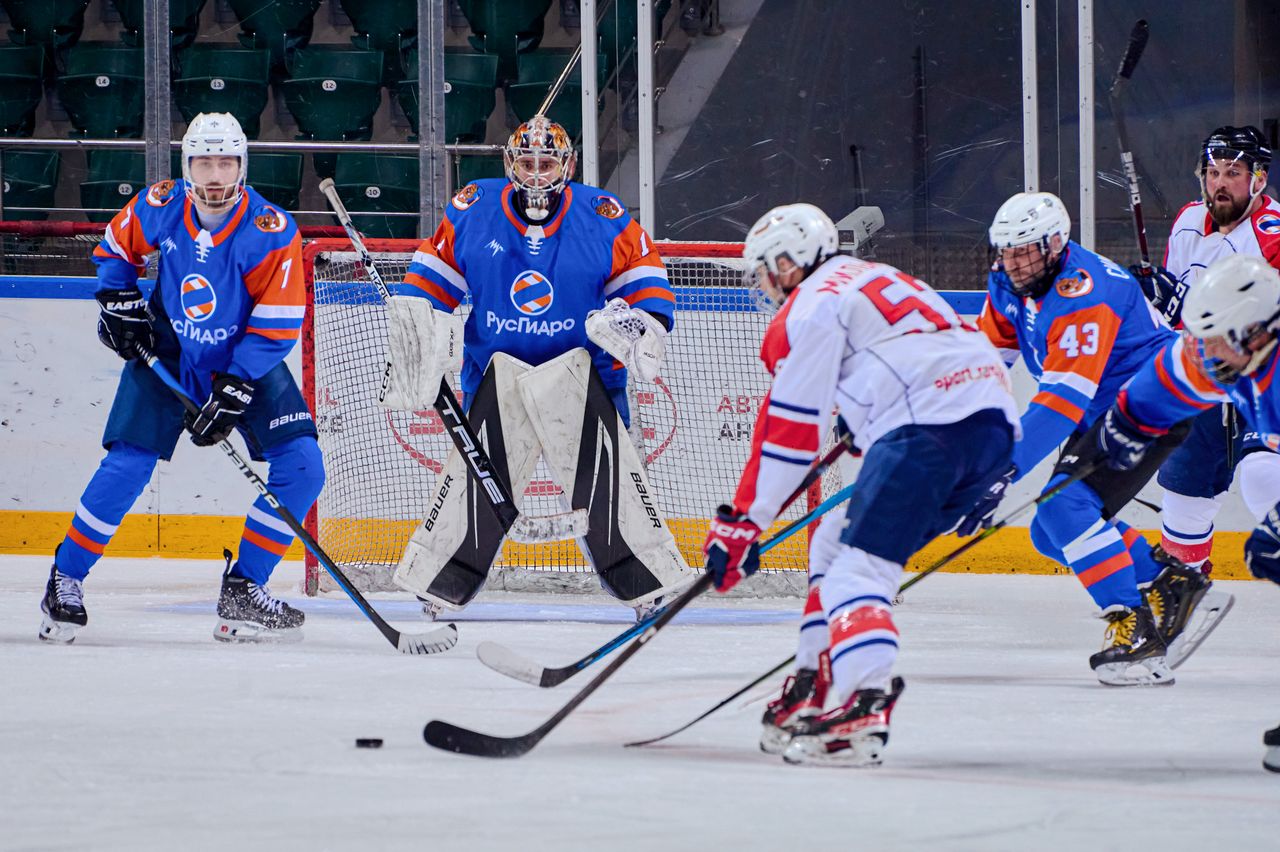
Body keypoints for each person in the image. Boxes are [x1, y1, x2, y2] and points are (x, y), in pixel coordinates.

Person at [702, 202, 1021, 767]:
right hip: (990, 429)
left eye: (766, 271)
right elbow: (914, 347)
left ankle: (864, 701)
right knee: (832, 542)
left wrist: (744, 522)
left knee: (858, 572)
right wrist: (862, 413)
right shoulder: (874, 276)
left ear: (790, 261)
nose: (764, 285)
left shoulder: (810, 306)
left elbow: (789, 430)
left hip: (928, 426)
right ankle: (813, 679)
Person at [382, 115, 695, 621]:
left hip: (585, 375)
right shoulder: (473, 209)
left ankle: (645, 585)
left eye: (546, 163)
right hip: (495, 373)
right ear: (510, 163)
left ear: (567, 166)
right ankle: (439, 584)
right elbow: (427, 289)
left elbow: (649, 290)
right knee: (476, 485)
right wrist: (418, 335)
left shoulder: (603, 216)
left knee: (606, 486)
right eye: (526, 163)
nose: (535, 174)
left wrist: (639, 326)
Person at [39, 112, 324, 644]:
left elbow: (279, 318)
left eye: (226, 162)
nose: (215, 175)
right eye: (203, 162)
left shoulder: (271, 230)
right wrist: (118, 300)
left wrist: (237, 384)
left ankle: (244, 588)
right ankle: (65, 577)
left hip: (245, 357)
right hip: (167, 350)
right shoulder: (162, 204)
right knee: (128, 464)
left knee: (304, 467)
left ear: (242, 165)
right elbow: (116, 246)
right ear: (186, 165)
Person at [972, 191, 1226, 686]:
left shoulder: (1084, 292)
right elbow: (985, 364)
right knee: (1049, 532)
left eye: (1024, 252)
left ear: (1055, 244)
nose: (1013, 264)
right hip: (1103, 409)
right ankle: (1171, 583)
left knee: (1063, 507)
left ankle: (1136, 630)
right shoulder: (1006, 281)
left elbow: (1059, 405)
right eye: (1005, 251)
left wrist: (999, 470)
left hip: (1150, 400)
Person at [1092, 253, 1280, 770]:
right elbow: (1163, 382)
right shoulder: (1234, 356)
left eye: (1215, 338)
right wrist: (1120, 428)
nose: (1205, 349)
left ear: (1256, 331)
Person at [1135, 126, 1280, 575]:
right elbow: (1174, 317)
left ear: (1258, 179)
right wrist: (1159, 301)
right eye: (1213, 172)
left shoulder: (1273, 234)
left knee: (1263, 478)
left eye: (1233, 173)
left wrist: (1184, 306)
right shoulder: (1187, 222)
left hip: (1265, 385)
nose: (1219, 183)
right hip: (1201, 383)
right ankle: (1183, 594)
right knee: (1183, 502)